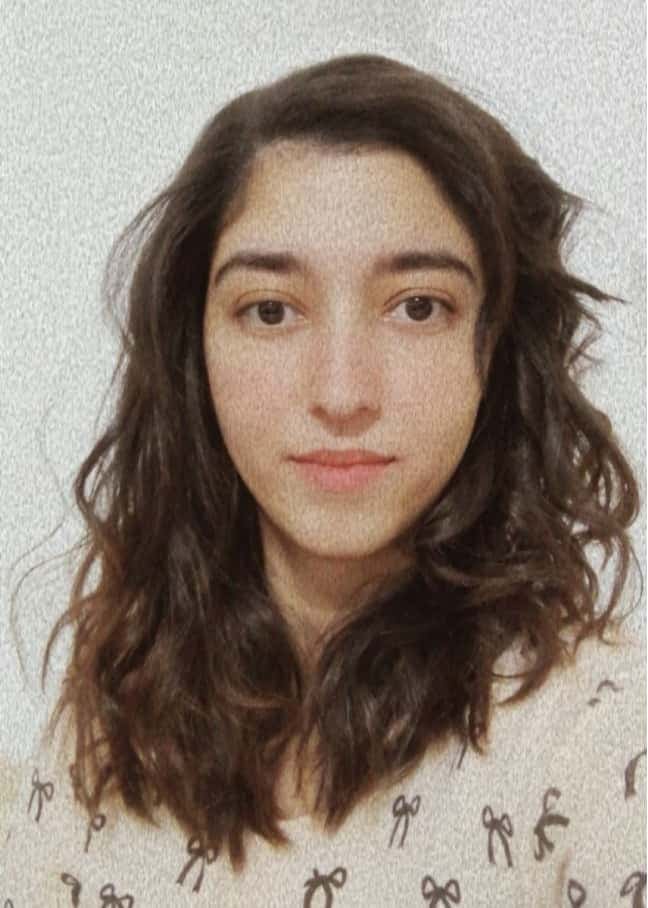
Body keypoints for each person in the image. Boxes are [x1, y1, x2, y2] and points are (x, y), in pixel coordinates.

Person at [2, 52, 644, 906]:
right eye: (271, 310)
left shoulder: (606, 744)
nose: (342, 393)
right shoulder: (112, 717)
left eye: (418, 306)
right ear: (195, 349)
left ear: (494, 349)